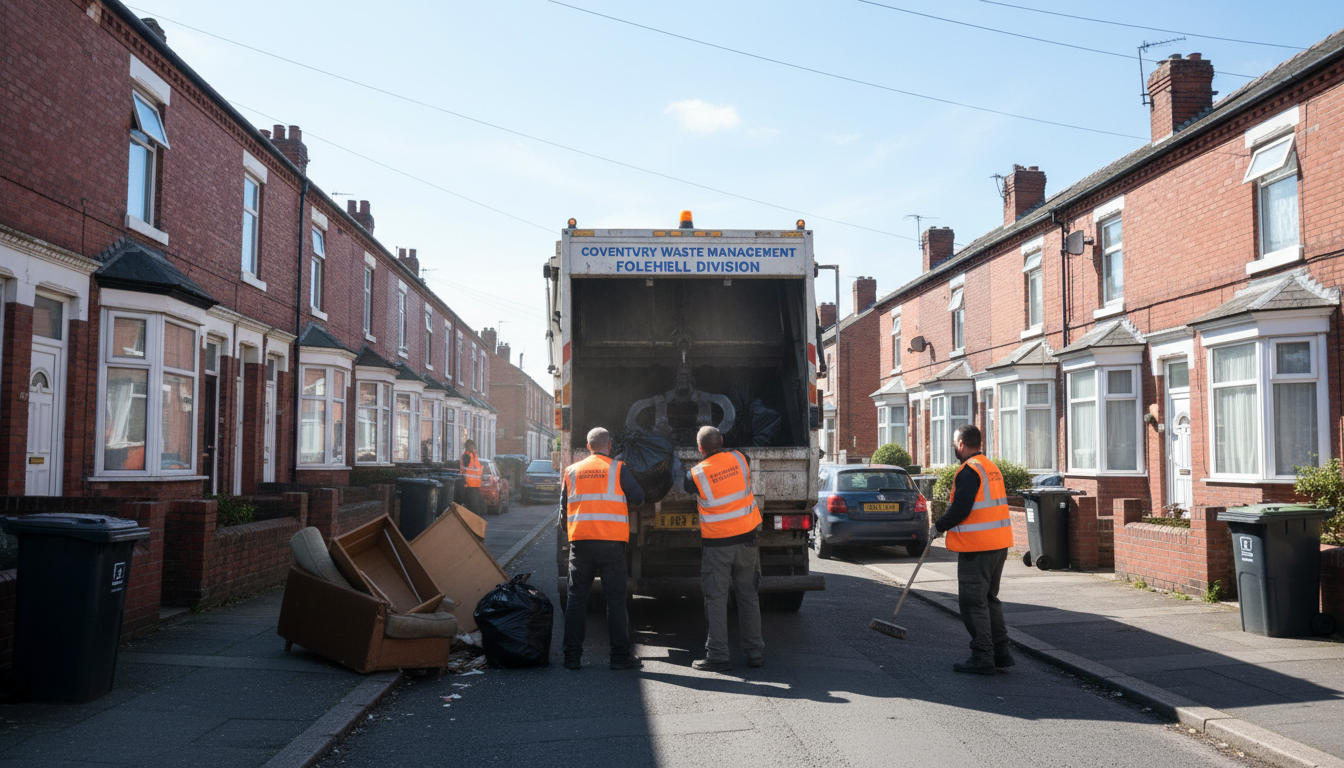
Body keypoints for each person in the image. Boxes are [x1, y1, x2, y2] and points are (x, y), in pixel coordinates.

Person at [931, 424, 1015, 675]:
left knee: (972, 603)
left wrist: (938, 526)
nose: (954, 447)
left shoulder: (969, 471)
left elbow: (961, 509)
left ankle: (982, 657)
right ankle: (1001, 653)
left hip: (977, 547)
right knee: (989, 600)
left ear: (961, 444)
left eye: (954, 443)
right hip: (998, 544)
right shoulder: (991, 467)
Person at [560, 427, 645, 671]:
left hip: (581, 543)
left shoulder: (571, 471)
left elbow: (563, 512)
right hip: (611, 544)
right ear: (609, 446)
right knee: (615, 600)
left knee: (576, 600)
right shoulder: (619, 469)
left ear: (588, 447)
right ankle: (619, 657)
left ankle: (571, 658)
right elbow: (638, 497)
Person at [684, 426, 764, 672]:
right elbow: (740, 458)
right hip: (747, 540)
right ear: (722, 440)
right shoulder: (740, 459)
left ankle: (718, 655)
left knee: (716, 599)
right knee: (748, 596)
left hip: (718, 545)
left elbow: (687, 488)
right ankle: (755, 654)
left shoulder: (695, 474)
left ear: (699, 449)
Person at [460, 439, 485, 517]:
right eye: (472, 446)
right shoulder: (467, 456)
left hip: (475, 486)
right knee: (474, 508)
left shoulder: (474, 456)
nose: (474, 448)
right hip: (469, 486)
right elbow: (465, 469)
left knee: (480, 507)